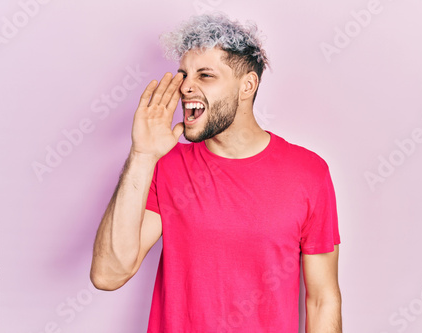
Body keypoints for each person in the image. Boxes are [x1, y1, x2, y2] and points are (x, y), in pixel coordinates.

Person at [90, 13, 342, 333]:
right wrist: (142, 155)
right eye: (183, 74)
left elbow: (322, 299)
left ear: (247, 85)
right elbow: (108, 274)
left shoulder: (309, 174)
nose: (186, 86)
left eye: (205, 75)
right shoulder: (165, 167)